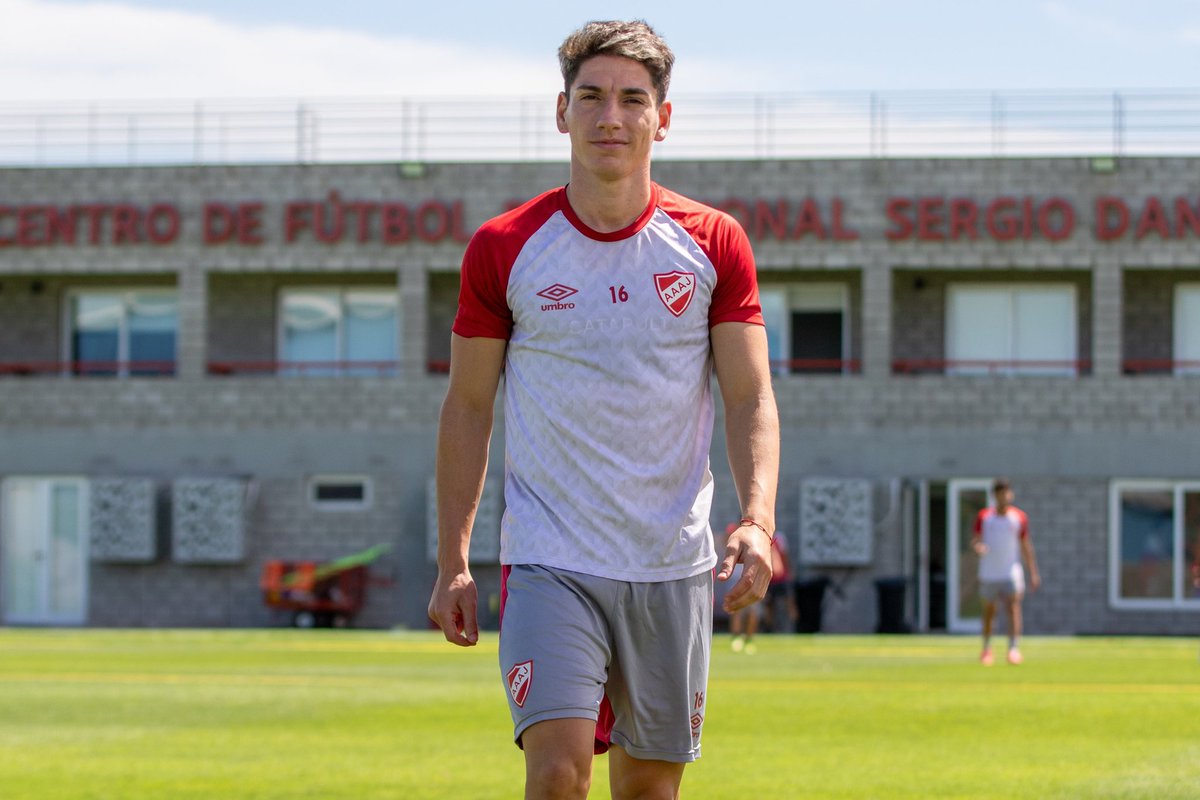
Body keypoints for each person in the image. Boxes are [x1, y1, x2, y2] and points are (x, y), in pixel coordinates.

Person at [427, 19, 780, 800]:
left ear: (663, 116)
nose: (610, 117)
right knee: (557, 774)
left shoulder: (713, 241)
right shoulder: (505, 245)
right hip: (552, 556)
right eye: (590, 97)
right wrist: (454, 559)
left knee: (648, 791)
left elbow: (750, 393)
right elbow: (469, 405)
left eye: (631, 99)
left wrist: (757, 517)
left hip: (672, 562)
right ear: (562, 112)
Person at [972, 478, 1040, 666]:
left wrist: (1033, 572)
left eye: (1006, 493)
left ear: (1010, 494)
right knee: (989, 611)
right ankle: (986, 649)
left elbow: (1026, 546)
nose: (1003, 497)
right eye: (999, 493)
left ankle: (1013, 649)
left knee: (1013, 608)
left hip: (1010, 571)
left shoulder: (1019, 518)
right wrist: (979, 548)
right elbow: (976, 540)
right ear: (994, 495)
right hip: (989, 572)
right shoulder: (985, 517)